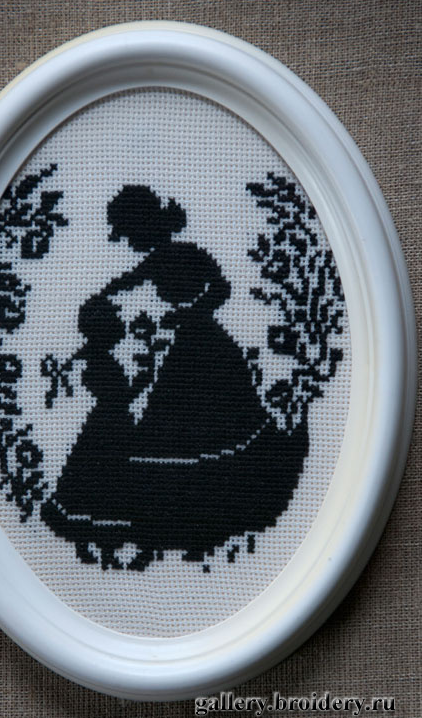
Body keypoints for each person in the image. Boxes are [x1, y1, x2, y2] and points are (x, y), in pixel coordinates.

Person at [41, 185, 308, 570]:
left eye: (129, 232)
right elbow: (126, 282)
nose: (126, 242)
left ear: (146, 225)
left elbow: (222, 288)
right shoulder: (155, 261)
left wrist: (192, 312)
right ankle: (176, 503)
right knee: (171, 421)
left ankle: (208, 498)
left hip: (205, 346)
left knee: (207, 417)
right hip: (184, 347)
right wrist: (103, 300)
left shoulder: (185, 254)